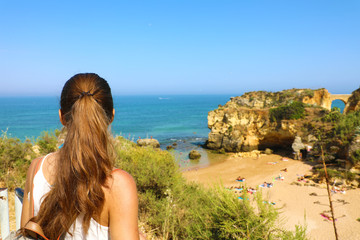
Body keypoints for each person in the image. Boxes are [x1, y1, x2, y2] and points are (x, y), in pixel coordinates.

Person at [21, 73, 140, 239]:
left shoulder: (36, 168)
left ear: (62, 116)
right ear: (111, 116)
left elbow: (26, 234)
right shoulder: (118, 184)